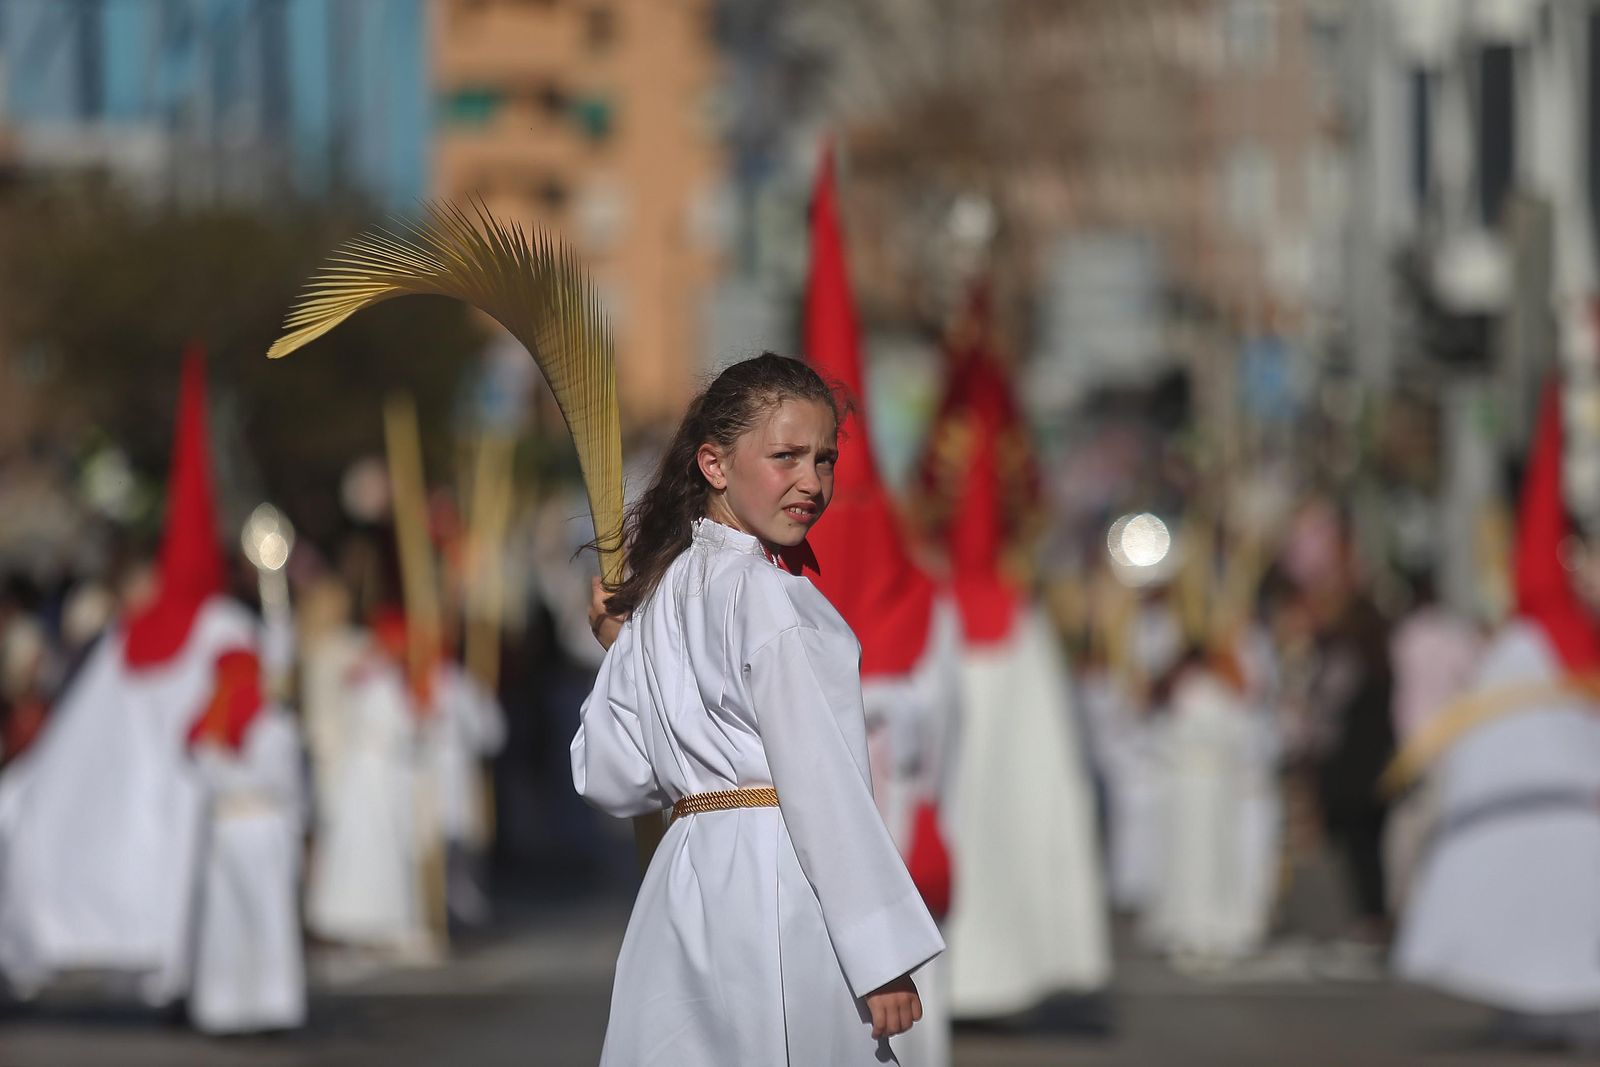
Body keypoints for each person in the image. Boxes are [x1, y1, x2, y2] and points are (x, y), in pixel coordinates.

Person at [573, 353, 944, 1066]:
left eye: (826, 458)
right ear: (714, 463)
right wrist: (880, 951)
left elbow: (608, 777)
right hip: (778, 884)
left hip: (683, 888)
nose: (813, 481)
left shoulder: (662, 597)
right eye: (786, 456)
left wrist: (618, 648)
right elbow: (822, 782)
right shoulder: (771, 598)